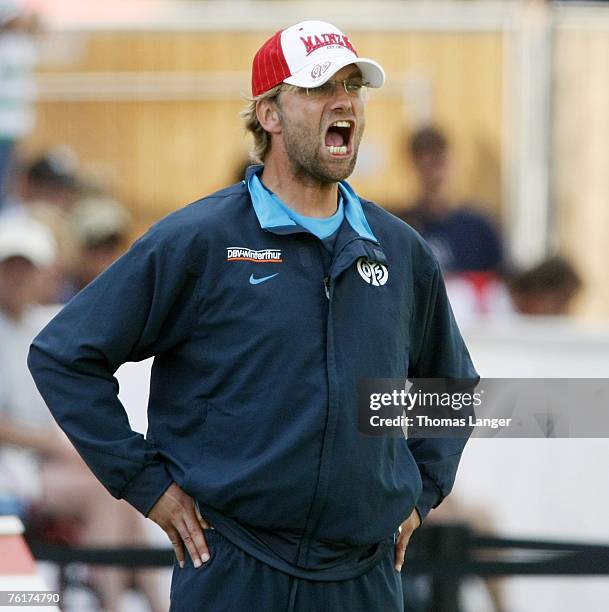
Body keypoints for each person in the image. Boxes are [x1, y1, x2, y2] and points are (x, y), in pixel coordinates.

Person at [28, 20, 478, 611]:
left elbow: (451, 387)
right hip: (234, 568)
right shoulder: (200, 239)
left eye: (353, 87)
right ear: (269, 113)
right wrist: (147, 486)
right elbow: (64, 356)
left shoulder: (400, 250)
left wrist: (419, 494)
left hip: (364, 580)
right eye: (319, 88)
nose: (343, 102)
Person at [0, 216, 165, 612]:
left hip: (41, 467)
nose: (18, 277)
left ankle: (143, 602)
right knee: (111, 494)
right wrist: (56, 445)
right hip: (16, 473)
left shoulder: (46, 324)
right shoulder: (48, 328)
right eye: (11, 267)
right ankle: (125, 602)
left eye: (27, 267)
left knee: (117, 490)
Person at [399, 126, 503, 274]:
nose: (432, 170)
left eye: (437, 160)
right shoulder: (403, 226)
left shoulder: (479, 229)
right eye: (425, 161)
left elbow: (498, 283)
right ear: (413, 165)